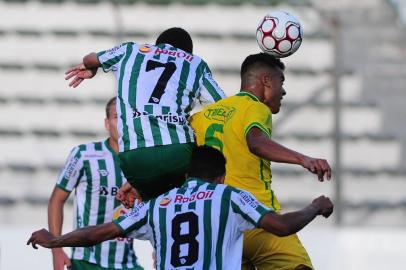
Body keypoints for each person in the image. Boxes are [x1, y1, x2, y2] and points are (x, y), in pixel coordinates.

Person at [29, 146, 334, 270]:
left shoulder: (159, 204)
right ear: (221, 176)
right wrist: (314, 207)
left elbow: (98, 233)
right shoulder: (228, 196)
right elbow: (281, 227)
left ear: (187, 175)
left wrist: (55, 240)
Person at [189, 53, 332, 270]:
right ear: (266, 80)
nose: (283, 91)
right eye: (280, 81)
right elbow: (255, 142)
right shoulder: (255, 107)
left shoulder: (201, 116)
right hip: (256, 219)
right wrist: (304, 159)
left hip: (216, 226)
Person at [65, 27, 226, 201]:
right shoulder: (195, 63)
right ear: (187, 51)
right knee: (186, 205)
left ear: (158, 45)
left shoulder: (130, 50)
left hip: (134, 159)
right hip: (179, 152)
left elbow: (90, 59)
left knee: (153, 210)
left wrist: (93, 67)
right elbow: (222, 103)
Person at [47, 97, 143, 270]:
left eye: (126, 117)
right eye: (116, 117)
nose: (122, 122)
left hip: (126, 261)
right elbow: (56, 200)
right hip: (87, 261)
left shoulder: (143, 160)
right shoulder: (84, 155)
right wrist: (57, 250)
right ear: (107, 124)